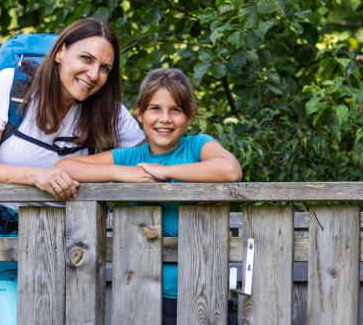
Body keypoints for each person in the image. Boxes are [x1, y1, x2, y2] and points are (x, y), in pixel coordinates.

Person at [0, 18, 152, 325]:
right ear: (61, 51)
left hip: (71, 251)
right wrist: (37, 176)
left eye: (105, 68)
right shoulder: (13, 86)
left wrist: (115, 170)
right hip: (2, 245)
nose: (93, 75)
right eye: (86, 59)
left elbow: (152, 157)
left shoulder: (108, 109)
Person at [56, 67, 242, 325]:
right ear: (140, 114)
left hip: (204, 290)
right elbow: (64, 167)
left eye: (175, 110)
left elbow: (230, 169)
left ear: (189, 116)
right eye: (155, 109)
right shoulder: (132, 158)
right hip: (141, 292)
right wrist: (122, 174)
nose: (164, 118)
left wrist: (165, 171)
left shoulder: (198, 146)